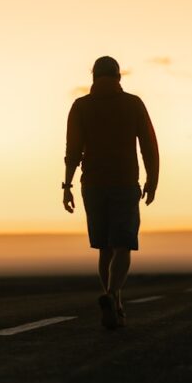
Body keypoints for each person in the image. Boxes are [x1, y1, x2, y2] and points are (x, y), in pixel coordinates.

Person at [62, 56, 160, 329]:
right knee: (123, 244)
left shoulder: (81, 106)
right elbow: (149, 145)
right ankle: (113, 294)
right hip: (125, 182)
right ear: (118, 76)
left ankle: (113, 303)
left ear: (94, 77)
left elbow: (72, 151)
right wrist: (153, 179)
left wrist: (67, 186)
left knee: (104, 247)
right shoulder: (132, 103)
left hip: (91, 185)